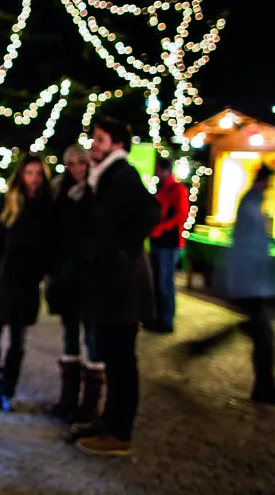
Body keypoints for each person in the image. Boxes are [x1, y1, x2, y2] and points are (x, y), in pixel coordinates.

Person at [71, 117, 160, 457]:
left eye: (100, 140)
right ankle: (108, 421)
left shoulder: (123, 175)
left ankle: (120, 433)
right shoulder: (104, 176)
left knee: (122, 361)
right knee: (112, 356)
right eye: (93, 139)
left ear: (118, 145)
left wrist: (122, 250)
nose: (93, 145)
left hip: (124, 287)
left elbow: (150, 213)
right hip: (111, 286)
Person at [189, 165, 275, 408]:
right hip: (253, 285)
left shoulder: (251, 204)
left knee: (260, 333)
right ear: (263, 181)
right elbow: (251, 250)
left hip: (253, 284)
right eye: (270, 182)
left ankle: (202, 347)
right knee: (266, 338)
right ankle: (264, 387)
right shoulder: (250, 207)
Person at [0, 153, 56, 412]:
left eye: (38, 174)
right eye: (29, 173)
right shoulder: (6, 200)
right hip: (2, 279)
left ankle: (7, 390)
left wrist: (40, 269)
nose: (34, 179)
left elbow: (50, 244)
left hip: (28, 283)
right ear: (21, 174)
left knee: (17, 340)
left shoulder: (47, 205)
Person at [45, 145, 103, 425]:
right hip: (66, 279)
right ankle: (67, 398)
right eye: (71, 163)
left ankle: (89, 405)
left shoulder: (98, 190)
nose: (77, 167)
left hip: (92, 280)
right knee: (69, 338)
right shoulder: (59, 192)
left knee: (93, 340)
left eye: (81, 162)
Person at [146, 155, 189, 333]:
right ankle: (157, 317)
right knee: (156, 281)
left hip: (169, 243)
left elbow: (181, 215)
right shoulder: (161, 188)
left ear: (164, 170)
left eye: (157, 169)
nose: (155, 172)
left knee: (165, 283)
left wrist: (161, 228)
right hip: (158, 241)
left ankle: (166, 320)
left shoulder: (177, 189)